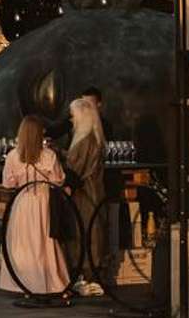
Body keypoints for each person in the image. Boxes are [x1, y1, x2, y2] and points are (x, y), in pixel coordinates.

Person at [0, 115, 69, 297]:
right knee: (44, 242)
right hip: (43, 202)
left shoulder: (13, 156)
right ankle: (48, 281)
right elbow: (58, 180)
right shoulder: (49, 155)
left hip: (22, 203)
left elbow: (8, 183)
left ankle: (21, 282)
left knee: (22, 243)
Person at [63, 97, 108, 297]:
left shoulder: (85, 140)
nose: (71, 120)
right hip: (94, 191)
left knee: (85, 231)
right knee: (92, 230)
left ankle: (87, 274)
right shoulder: (94, 137)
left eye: (72, 116)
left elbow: (74, 168)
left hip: (84, 194)